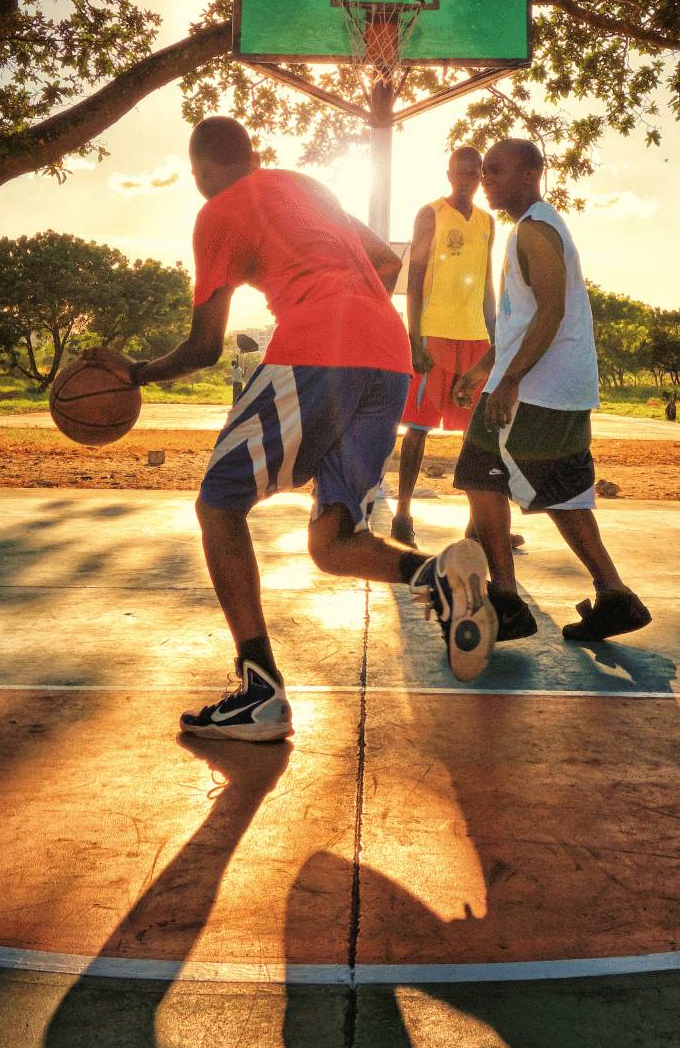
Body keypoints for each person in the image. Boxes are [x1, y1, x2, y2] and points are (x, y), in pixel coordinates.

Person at [83, 117, 497, 739]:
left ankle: (260, 691)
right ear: (254, 153)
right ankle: (432, 575)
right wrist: (350, 304)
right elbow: (386, 262)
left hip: (319, 350)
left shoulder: (219, 211)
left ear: (199, 171)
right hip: (385, 358)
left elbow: (202, 347)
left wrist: (136, 372)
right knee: (332, 542)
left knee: (219, 504)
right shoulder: (305, 185)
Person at [451, 138, 651, 643]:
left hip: (537, 390)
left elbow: (552, 312)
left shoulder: (535, 231)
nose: (486, 179)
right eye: (484, 172)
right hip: (558, 387)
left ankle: (506, 601)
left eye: (496, 171)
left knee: (482, 475)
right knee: (563, 494)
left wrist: (510, 380)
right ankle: (615, 597)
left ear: (530, 174)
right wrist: (484, 369)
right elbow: (522, 320)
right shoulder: (528, 227)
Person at [393, 145, 503, 546]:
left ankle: (480, 524)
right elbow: (414, 281)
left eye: (474, 171)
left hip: (475, 338)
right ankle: (403, 516)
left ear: (481, 175)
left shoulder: (488, 223)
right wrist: (414, 339)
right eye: (460, 170)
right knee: (418, 429)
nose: (467, 177)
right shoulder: (431, 214)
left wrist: (495, 340)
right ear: (449, 173)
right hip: (434, 336)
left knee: (477, 434)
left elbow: (487, 285)